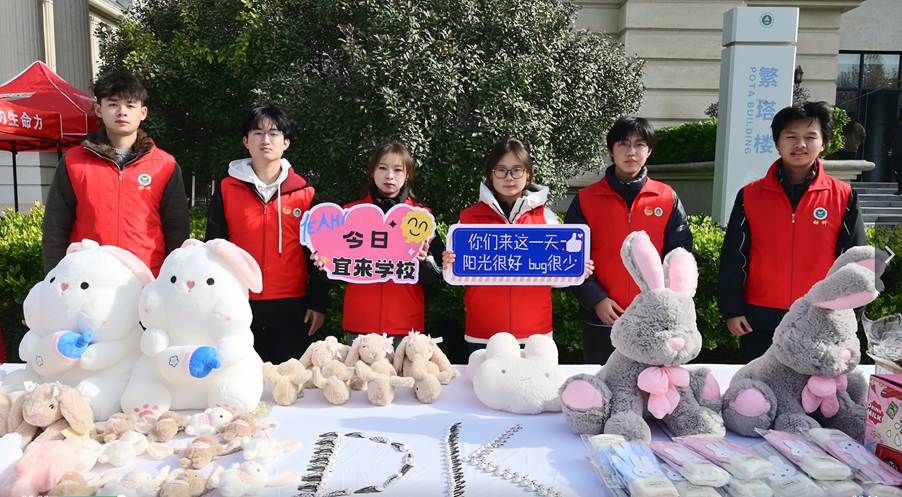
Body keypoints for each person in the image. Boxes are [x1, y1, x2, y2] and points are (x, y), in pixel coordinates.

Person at [718, 101, 867, 363]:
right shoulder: (750, 195)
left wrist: (848, 315)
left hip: (820, 316)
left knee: (815, 387)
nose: (800, 144)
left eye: (810, 137)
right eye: (791, 137)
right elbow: (734, 256)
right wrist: (732, 309)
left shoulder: (843, 196)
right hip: (759, 318)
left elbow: (855, 262)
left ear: (824, 144)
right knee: (759, 387)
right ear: (777, 143)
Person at [565, 116, 692, 365]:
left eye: (639, 144)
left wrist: (665, 304)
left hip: (653, 317)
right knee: (600, 381)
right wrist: (596, 299)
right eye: (623, 144)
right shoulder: (587, 199)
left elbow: (680, 255)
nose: (631, 152)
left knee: (652, 384)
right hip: (603, 316)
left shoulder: (666, 197)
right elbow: (572, 258)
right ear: (611, 150)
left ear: (649, 150)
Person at [205, 106, 327, 363]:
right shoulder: (227, 188)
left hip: (292, 305)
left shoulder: (305, 194)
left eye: (274, 133)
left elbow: (317, 255)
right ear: (246, 141)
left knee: (290, 380)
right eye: (258, 133)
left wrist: (318, 303)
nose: (266, 140)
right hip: (238, 302)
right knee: (240, 376)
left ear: (286, 142)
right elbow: (213, 248)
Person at [42, 72, 189, 275]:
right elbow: (55, 227)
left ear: (143, 112)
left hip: (147, 278)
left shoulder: (165, 165)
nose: (121, 112)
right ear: (99, 110)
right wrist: (55, 276)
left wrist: (172, 278)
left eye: (130, 105)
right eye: (112, 104)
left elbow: (177, 231)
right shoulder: (73, 162)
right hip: (87, 278)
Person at [442, 139, 576, 354]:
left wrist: (575, 267)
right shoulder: (468, 219)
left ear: (528, 174)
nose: (509, 177)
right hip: (483, 332)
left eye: (516, 170)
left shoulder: (546, 218)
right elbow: (458, 277)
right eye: (501, 170)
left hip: (535, 334)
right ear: (491, 174)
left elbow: (559, 280)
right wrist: (449, 264)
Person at [341, 141, 444, 348]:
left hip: (405, 323)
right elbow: (331, 271)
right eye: (382, 168)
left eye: (398, 170)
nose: (390, 176)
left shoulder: (421, 218)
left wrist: (424, 262)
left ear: (407, 175)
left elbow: (440, 272)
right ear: (372, 172)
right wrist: (323, 263)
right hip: (361, 322)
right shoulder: (349, 214)